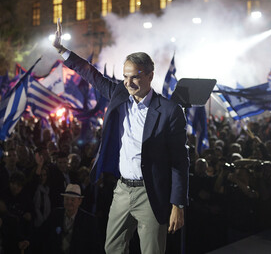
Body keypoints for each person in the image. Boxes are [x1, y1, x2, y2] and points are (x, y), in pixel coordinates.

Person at [53, 21, 189, 254]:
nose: (128, 83)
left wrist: (178, 204)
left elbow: (179, 160)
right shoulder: (119, 93)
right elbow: (90, 73)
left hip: (152, 193)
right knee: (112, 248)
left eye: (134, 77)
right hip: (122, 190)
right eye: (125, 77)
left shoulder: (169, 111)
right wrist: (62, 50)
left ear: (150, 75)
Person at [32, 184, 101, 254]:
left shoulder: (89, 221)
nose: (69, 202)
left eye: (72, 200)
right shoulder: (55, 214)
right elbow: (42, 233)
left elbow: (94, 247)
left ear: (79, 201)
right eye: (66, 199)